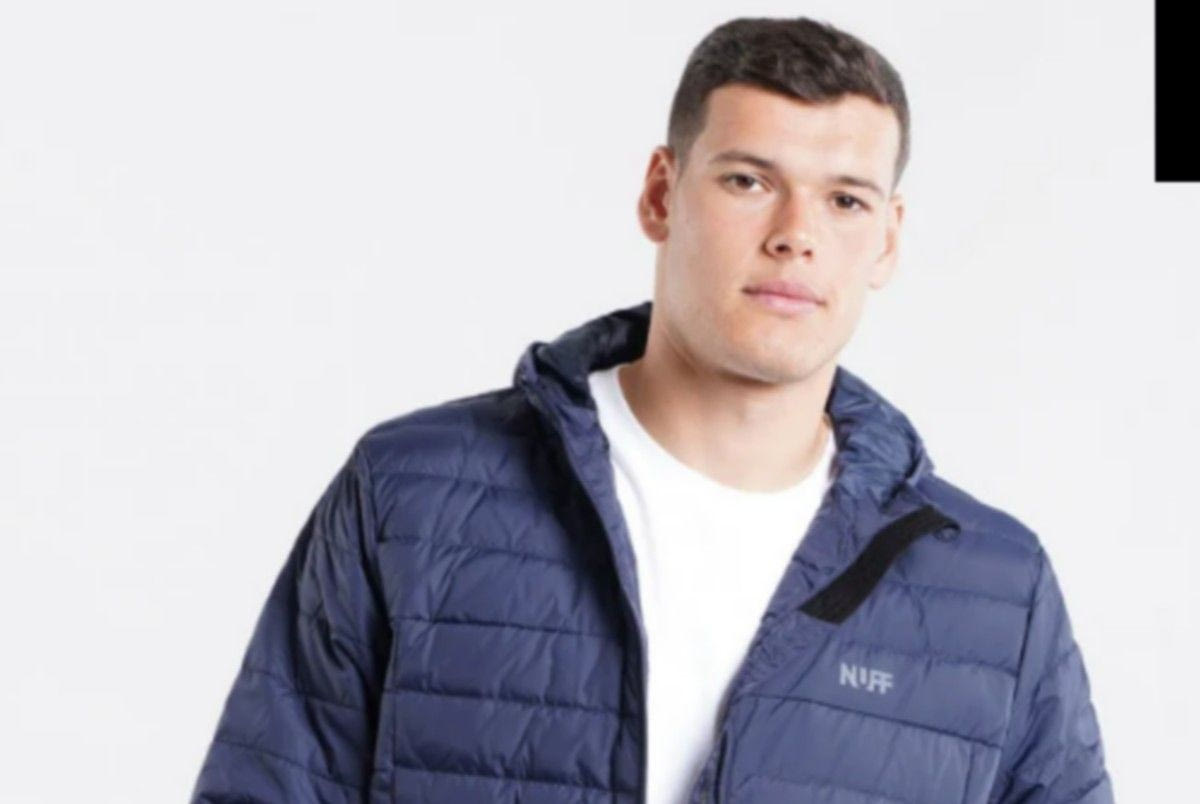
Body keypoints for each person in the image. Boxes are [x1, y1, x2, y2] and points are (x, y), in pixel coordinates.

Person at [190, 16, 1113, 804]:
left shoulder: (995, 589)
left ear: (887, 239)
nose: (796, 234)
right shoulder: (413, 495)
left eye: (844, 199)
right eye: (749, 181)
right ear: (662, 194)